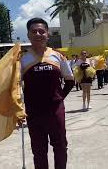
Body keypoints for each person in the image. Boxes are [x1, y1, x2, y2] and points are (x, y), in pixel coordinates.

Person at [20, 18, 74, 169]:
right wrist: (18, 109)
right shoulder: (22, 60)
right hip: (33, 112)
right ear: (28, 35)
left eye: (41, 31)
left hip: (55, 111)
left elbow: (70, 80)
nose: (38, 34)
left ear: (47, 34)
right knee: (39, 151)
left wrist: (59, 98)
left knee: (61, 146)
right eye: (34, 31)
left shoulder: (58, 56)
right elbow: (14, 88)